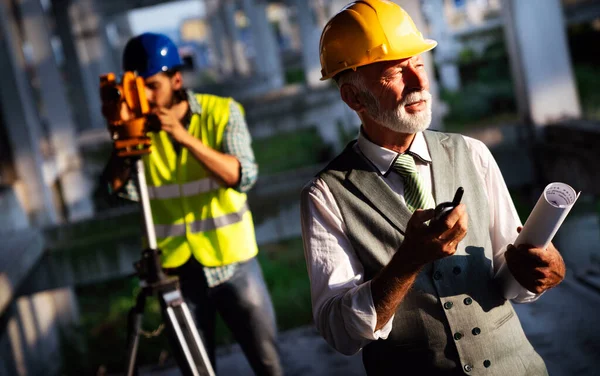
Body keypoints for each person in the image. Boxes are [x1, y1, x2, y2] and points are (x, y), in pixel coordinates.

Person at [300, 1, 565, 375]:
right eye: (396, 71)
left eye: (419, 65)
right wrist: (408, 260)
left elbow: (511, 278)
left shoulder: (472, 153)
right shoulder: (325, 195)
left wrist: (539, 271)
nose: (420, 82)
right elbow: (340, 333)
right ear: (354, 98)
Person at [103, 32, 283, 376]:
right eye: (137, 87)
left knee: (269, 365)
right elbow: (115, 191)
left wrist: (183, 138)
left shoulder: (222, 112)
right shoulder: (135, 129)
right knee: (196, 371)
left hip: (234, 264)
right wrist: (121, 137)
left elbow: (242, 176)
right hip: (175, 274)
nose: (146, 97)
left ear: (176, 79)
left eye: (152, 85)